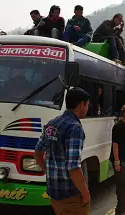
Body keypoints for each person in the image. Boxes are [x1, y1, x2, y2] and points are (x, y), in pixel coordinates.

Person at [34, 87, 91, 215]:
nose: (87, 108)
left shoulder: (52, 123)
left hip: (54, 193)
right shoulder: (75, 128)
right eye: (87, 104)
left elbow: (37, 153)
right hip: (71, 195)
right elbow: (74, 166)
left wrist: (47, 171)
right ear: (81, 104)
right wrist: (85, 193)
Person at [109, 104, 125, 215]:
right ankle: (120, 210)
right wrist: (117, 162)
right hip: (118, 160)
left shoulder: (124, 126)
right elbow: (115, 145)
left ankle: (123, 207)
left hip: (122, 159)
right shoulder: (119, 126)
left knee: (121, 184)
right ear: (124, 114)